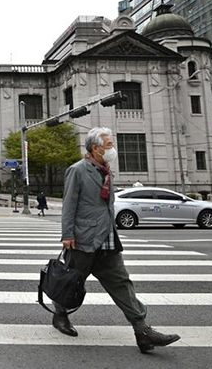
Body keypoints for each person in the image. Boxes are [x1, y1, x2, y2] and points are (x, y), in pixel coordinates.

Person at [56, 127, 180, 353]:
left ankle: (142, 331)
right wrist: (67, 234)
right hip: (84, 240)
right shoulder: (78, 170)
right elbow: (69, 204)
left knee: (122, 283)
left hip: (107, 238)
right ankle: (60, 314)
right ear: (95, 148)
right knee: (71, 283)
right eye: (109, 145)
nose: (112, 149)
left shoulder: (106, 171)